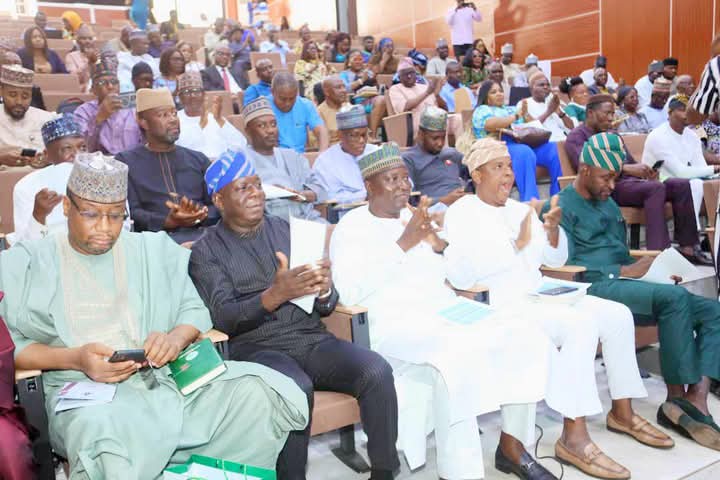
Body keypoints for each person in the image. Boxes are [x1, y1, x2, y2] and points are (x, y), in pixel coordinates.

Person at [0, 151, 309, 478]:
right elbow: (10, 347)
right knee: (105, 438)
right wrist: (76, 359)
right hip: (85, 394)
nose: (104, 227)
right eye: (91, 214)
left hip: (164, 381)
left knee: (258, 393)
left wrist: (174, 339)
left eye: (115, 216)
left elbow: (194, 309)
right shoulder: (29, 263)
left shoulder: (150, 250)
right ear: (67, 207)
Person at [446, 137, 671, 480]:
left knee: (617, 315)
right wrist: (515, 246)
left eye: (509, 166)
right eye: (498, 167)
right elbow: (462, 276)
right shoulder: (462, 213)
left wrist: (552, 233)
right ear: (476, 175)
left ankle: (622, 411)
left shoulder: (520, 210)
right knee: (580, 326)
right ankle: (574, 436)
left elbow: (554, 260)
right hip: (501, 300)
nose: (508, 174)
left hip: (539, 290)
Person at [330, 143, 557, 480]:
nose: (403, 186)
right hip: (393, 324)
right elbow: (348, 292)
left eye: (405, 178)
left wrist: (440, 247)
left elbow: (455, 277)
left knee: (522, 334)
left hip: (444, 311)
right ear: (369, 186)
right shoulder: (351, 227)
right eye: (392, 179)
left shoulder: (414, 218)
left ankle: (513, 445)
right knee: (458, 357)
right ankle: (459, 472)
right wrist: (403, 244)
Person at [188, 149, 398, 480]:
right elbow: (224, 317)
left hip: (310, 338)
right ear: (219, 200)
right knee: (295, 388)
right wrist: (275, 295)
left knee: (376, 370)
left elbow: (326, 305)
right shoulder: (205, 251)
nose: (256, 193)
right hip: (255, 349)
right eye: (243, 188)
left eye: (258, 185)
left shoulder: (287, 230)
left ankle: (385, 472)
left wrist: (324, 289)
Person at [552, 132, 720, 453]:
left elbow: (622, 253)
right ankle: (675, 399)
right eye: (605, 177)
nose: (611, 185)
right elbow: (563, 266)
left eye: (615, 178)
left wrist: (655, 270)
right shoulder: (561, 206)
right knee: (675, 299)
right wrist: (622, 272)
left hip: (624, 281)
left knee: (713, 310)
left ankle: (695, 398)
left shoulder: (607, 203)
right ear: (584, 170)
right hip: (595, 287)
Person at [565, 94, 707, 262]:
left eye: (613, 114)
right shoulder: (577, 136)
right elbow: (587, 166)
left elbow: (631, 162)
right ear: (590, 113)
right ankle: (658, 254)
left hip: (630, 183)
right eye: (607, 113)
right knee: (655, 189)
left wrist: (646, 172)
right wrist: (627, 168)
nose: (611, 118)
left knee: (680, 185)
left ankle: (688, 248)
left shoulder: (612, 134)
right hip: (606, 186)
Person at [116, 88, 219, 244]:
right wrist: (167, 221)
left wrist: (201, 215)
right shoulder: (126, 162)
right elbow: (131, 212)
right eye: (163, 115)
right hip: (154, 244)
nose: (173, 120)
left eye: (174, 113)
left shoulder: (198, 159)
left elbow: (218, 204)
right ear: (143, 122)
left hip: (205, 239)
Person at [642, 95, 719, 243]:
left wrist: (714, 173)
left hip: (681, 184)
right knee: (694, 184)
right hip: (656, 184)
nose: (687, 114)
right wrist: (715, 168)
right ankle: (693, 237)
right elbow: (680, 172)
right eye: (683, 110)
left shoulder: (692, 136)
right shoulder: (658, 136)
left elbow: (700, 167)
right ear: (670, 112)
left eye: (689, 110)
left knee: (703, 183)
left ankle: (711, 237)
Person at [472, 79, 562, 201]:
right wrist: (516, 116)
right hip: (499, 145)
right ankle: (530, 200)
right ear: (486, 96)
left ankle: (558, 196)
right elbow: (491, 125)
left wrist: (526, 114)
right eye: (493, 92)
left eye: (500, 91)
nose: (499, 94)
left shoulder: (510, 109)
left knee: (553, 148)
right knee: (524, 152)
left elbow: (532, 125)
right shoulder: (482, 110)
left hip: (522, 141)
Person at [242, 97, 327, 222]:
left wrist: (301, 195)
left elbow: (321, 189)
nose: (270, 130)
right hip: (267, 226)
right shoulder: (241, 161)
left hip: (306, 219)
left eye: (273, 124)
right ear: (248, 131)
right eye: (262, 126)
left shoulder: (292, 156)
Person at [10, 115, 86, 245]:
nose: (78, 155)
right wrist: (38, 215)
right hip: (49, 254)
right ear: (47, 155)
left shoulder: (101, 178)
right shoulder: (27, 186)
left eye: (83, 147)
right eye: (67, 149)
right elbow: (24, 246)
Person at [74, 52, 144, 155]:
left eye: (114, 82)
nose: (110, 86)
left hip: (131, 160)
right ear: (93, 90)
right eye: (102, 83)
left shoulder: (133, 110)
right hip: (99, 162)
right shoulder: (83, 112)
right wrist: (98, 119)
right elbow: (83, 148)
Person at [402, 107, 469, 212]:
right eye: (435, 138)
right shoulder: (409, 159)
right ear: (421, 134)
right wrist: (444, 200)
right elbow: (410, 201)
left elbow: (474, 177)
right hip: (434, 211)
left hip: (465, 206)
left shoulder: (452, 154)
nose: (440, 143)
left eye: (443, 137)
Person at [313, 106, 378, 203]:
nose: (361, 140)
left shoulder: (376, 152)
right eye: (354, 135)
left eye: (364, 135)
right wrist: (365, 195)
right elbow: (329, 197)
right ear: (340, 135)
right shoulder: (325, 162)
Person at [176, 71, 247, 159]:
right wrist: (201, 125)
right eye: (187, 92)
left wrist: (220, 120)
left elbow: (241, 145)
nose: (192, 95)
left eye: (196, 91)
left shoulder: (216, 118)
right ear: (180, 97)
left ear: (204, 95)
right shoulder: (175, 120)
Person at [0, 65, 54, 167]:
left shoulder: (46, 119)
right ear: (1, 92)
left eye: (25, 96)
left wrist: (47, 160)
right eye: (12, 95)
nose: (19, 102)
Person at [269, 71, 329, 153]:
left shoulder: (305, 105)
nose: (287, 103)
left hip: (299, 156)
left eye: (292, 98)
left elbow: (321, 131)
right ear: (272, 92)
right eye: (283, 99)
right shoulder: (263, 106)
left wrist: (323, 152)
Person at [339, 49, 386, 140]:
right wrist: (361, 80)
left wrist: (373, 79)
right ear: (348, 62)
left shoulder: (367, 72)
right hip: (353, 103)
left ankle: (372, 136)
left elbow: (376, 87)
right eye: (355, 59)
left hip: (370, 100)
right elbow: (345, 89)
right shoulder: (344, 74)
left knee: (382, 99)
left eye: (360, 59)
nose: (358, 62)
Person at [388, 57, 443, 134]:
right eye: (405, 74)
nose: (409, 76)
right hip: (414, 121)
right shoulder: (395, 89)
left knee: (457, 119)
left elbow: (444, 108)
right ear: (399, 77)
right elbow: (405, 107)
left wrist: (437, 95)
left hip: (436, 117)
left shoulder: (424, 86)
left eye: (411, 73)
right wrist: (427, 93)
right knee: (437, 122)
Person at [518, 70, 574, 141]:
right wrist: (549, 111)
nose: (546, 87)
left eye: (548, 85)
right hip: (545, 142)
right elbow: (531, 130)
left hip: (564, 140)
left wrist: (560, 113)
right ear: (531, 88)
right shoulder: (524, 103)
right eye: (541, 85)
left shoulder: (552, 102)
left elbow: (571, 127)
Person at [316, 76, 351, 145]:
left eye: (344, 87)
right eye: (338, 87)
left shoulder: (349, 107)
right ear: (326, 92)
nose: (344, 90)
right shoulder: (318, 113)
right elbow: (319, 144)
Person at [64, 24, 97, 93]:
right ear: (78, 41)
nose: (87, 41)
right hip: (81, 90)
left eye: (90, 38)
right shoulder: (71, 56)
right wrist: (88, 63)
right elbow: (74, 79)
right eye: (84, 38)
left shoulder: (99, 55)